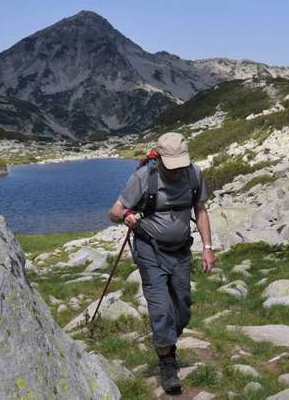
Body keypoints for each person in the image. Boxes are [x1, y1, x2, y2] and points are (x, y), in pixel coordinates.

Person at [108, 132, 216, 395]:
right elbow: (114, 212)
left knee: (182, 308)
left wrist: (208, 248)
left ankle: (166, 339)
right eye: (173, 164)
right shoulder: (143, 177)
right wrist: (128, 216)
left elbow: (200, 211)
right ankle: (167, 362)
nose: (178, 170)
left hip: (181, 251)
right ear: (160, 158)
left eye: (182, 163)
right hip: (150, 251)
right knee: (160, 309)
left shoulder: (194, 174)